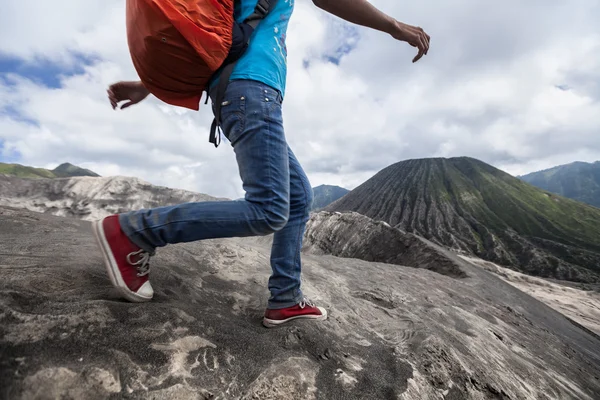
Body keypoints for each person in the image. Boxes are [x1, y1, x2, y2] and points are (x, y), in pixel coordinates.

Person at [94, 0, 430, 328]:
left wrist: (147, 86)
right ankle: (135, 231)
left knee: (298, 196)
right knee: (269, 208)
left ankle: (285, 298)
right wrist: (395, 27)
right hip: (252, 92)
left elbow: (216, 37)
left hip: (245, 91)